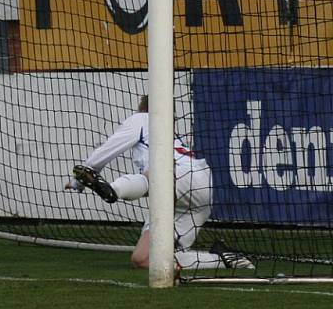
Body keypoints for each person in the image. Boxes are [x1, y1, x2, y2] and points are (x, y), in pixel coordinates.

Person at [65, 95, 254, 272]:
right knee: (144, 259)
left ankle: (114, 189)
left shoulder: (143, 119)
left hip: (182, 176)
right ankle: (222, 259)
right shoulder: (167, 131)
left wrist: (80, 179)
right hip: (196, 193)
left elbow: (107, 150)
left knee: (158, 173)